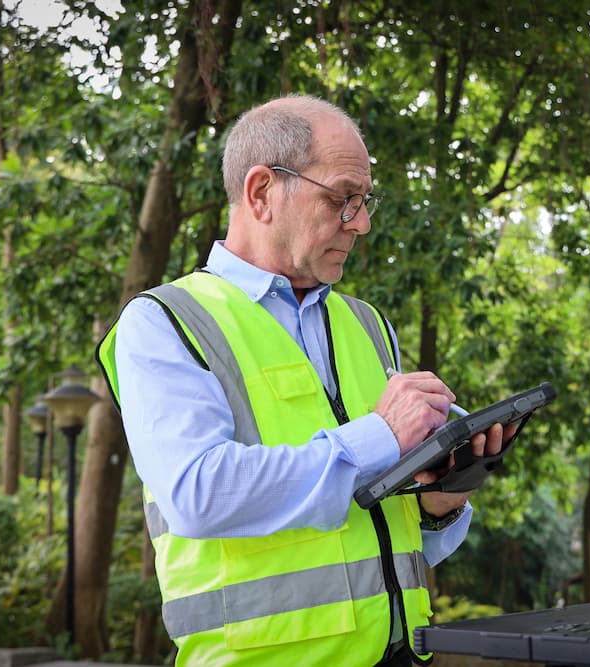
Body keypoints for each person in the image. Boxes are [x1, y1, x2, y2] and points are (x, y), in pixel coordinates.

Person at [96, 94, 513, 666]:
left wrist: (439, 502)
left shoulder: (367, 324)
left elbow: (379, 542)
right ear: (261, 192)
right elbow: (197, 492)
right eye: (344, 199)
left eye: (366, 201)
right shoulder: (163, 322)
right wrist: (381, 436)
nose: (361, 224)